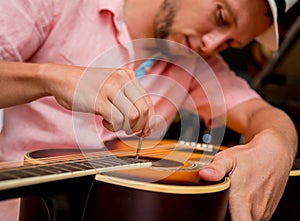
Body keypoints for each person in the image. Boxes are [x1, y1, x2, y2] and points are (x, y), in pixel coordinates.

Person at [0, 0, 298, 220]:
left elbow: (262, 114)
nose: (211, 44)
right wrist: (48, 77)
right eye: (221, 16)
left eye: (230, 43)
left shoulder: (193, 61)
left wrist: (278, 144)